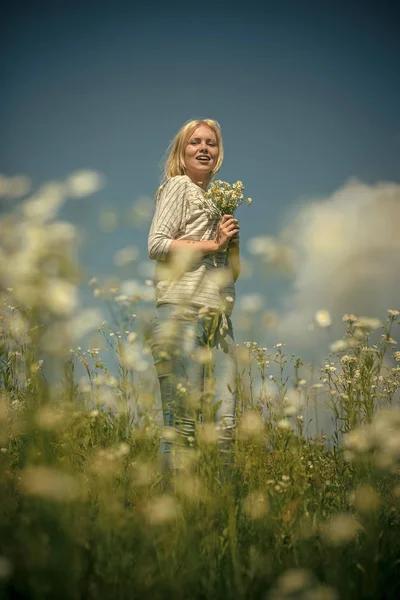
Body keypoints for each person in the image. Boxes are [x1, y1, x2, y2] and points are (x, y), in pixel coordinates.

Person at [147, 118, 240, 477]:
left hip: (220, 319)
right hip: (181, 314)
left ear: (218, 155)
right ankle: (172, 523)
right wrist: (212, 243)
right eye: (195, 142)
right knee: (183, 423)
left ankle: (225, 518)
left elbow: (232, 273)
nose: (204, 148)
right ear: (181, 153)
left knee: (225, 425)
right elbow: (157, 245)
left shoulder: (220, 201)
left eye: (211, 143)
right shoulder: (178, 186)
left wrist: (229, 241)